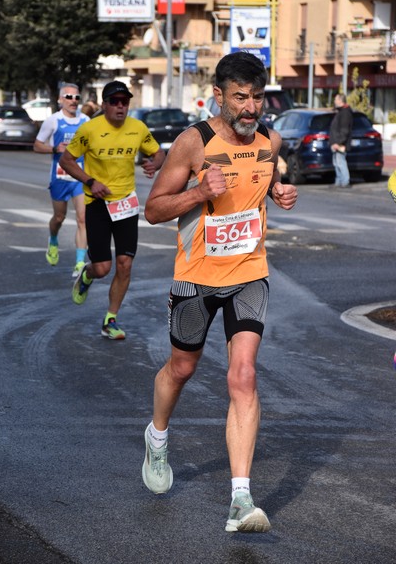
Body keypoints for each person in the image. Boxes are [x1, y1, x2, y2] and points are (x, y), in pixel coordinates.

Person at [141, 52, 298, 532]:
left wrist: (282, 193)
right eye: (240, 98)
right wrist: (197, 193)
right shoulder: (193, 143)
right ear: (220, 96)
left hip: (250, 272)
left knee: (244, 376)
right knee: (182, 367)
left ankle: (240, 499)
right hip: (196, 278)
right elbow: (153, 210)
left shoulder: (270, 138)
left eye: (257, 98)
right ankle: (157, 436)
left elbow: (274, 174)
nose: (250, 109)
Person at [59, 81, 166, 340]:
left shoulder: (138, 128)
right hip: (97, 203)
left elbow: (159, 152)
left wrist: (154, 164)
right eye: (115, 101)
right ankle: (87, 273)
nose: (120, 106)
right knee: (103, 268)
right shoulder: (90, 130)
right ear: (104, 104)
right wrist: (90, 181)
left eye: (125, 102)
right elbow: (66, 160)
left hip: (125, 204)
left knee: (125, 264)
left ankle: (110, 319)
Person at [34, 84, 89, 276]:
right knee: (59, 217)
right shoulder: (53, 121)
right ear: (60, 99)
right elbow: (37, 145)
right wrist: (55, 149)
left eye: (76, 97)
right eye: (68, 97)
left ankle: (80, 263)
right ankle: (54, 239)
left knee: (83, 218)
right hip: (59, 176)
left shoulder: (85, 120)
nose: (73, 101)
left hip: (80, 177)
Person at [329, 93, 353, 188]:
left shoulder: (345, 113)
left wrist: (338, 143)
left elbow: (344, 130)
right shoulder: (340, 111)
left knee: (341, 162)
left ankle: (345, 181)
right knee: (336, 162)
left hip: (340, 143)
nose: (334, 101)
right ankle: (338, 181)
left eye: (336, 99)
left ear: (340, 101)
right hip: (335, 142)